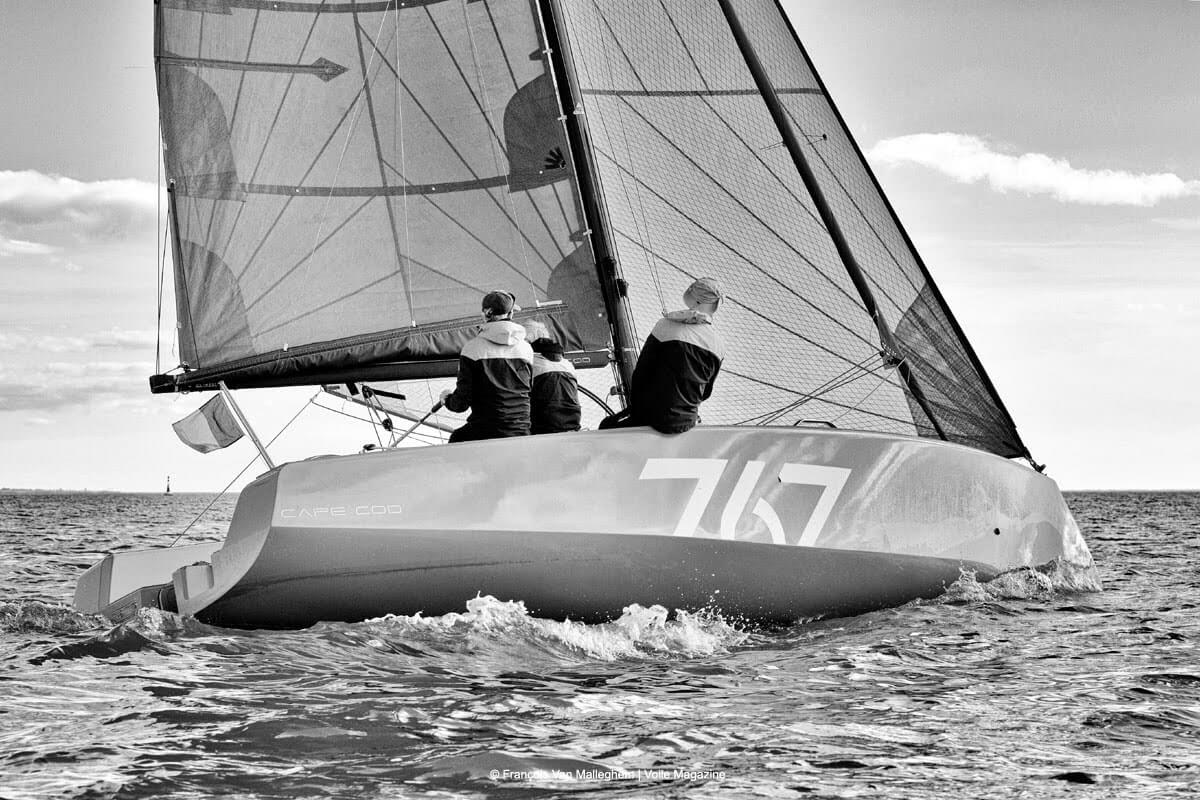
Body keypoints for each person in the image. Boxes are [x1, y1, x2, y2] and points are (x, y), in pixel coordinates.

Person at [600, 277, 726, 434]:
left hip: (650, 418)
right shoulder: (718, 345)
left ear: (696, 299)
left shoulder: (665, 325)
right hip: (685, 422)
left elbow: (641, 374)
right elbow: (705, 392)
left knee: (606, 426)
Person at [440, 290, 533, 443]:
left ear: (485, 314)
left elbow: (461, 404)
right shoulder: (526, 349)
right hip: (521, 431)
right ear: (510, 315)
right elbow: (529, 390)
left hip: (486, 431)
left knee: (456, 439)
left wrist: (446, 399)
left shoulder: (472, 349)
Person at [524, 321, 582, 435]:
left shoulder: (530, 364)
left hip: (542, 429)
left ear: (529, 341)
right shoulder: (568, 365)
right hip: (572, 425)